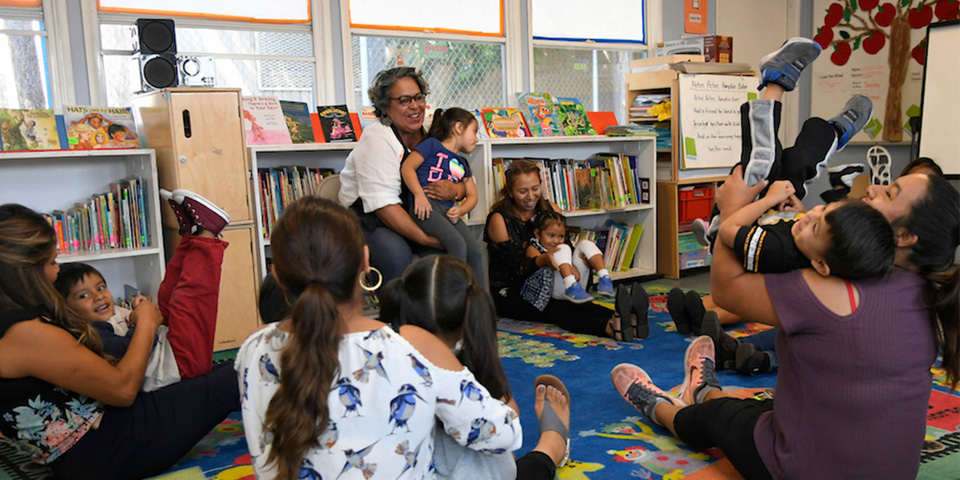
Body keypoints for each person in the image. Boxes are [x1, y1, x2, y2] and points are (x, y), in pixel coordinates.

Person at [611, 161, 959, 479]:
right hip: (895, 471)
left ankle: (660, 408)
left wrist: (731, 207)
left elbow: (726, 291)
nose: (873, 188)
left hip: (801, 468)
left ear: (904, 237)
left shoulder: (839, 289)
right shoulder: (928, 292)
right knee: (756, 408)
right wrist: (812, 221)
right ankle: (704, 391)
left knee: (718, 417)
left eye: (890, 193)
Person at [235, 197, 521, 480]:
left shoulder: (253, 348)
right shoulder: (412, 347)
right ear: (365, 260)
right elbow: (504, 434)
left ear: (276, 275)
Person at [0, 204, 240, 480]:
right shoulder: (24, 334)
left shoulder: (17, 320)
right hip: (106, 448)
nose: (57, 272)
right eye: (52, 262)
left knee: (232, 367)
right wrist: (146, 324)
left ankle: (195, 236)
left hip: (98, 436)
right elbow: (124, 390)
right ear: (26, 272)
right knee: (242, 374)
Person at [379, 255, 571, 479]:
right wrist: (503, 406)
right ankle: (553, 446)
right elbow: (506, 433)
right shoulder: (449, 382)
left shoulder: (372, 354)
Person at [692, 37, 873, 250]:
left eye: (817, 222)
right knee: (799, 162)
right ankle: (834, 133)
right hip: (779, 215)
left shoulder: (780, 254)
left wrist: (769, 200)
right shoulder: (810, 248)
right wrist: (800, 212)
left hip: (742, 222)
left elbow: (731, 232)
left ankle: (775, 80)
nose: (816, 213)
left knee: (763, 165)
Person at [53, 189, 230, 391]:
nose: (98, 296)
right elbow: (129, 349)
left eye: (101, 287)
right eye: (83, 295)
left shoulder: (105, 314)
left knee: (168, 292)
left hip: (167, 346)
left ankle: (191, 234)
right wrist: (142, 321)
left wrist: (136, 311)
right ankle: (207, 235)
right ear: (67, 309)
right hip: (177, 368)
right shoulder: (93, 335)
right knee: (190, 300)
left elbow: (130, 321)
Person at [484, 159, 650, 340]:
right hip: (512, 291)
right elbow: (516, 268)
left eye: (535, 188)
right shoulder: (499, 219)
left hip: (550, 281)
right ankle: (610, 327)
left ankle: (626, 320)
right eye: (522, 191)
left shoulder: (551, 210)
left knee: (576, 300)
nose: (530, 196)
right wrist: (543, 260)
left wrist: (575, 264)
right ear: (510, 192)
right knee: (556, 306)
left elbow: (566, 245)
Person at [339, 67, 466, 283]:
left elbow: (462, 176)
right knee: (396, 255)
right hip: (371, 220)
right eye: (405, 100)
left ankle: (455, 303)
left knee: (465, 247)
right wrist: (427, 239)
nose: (415, 106)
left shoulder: (433, 132)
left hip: (420, 212)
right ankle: (397, 307)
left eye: (419, 97)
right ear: (385, 106)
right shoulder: (376, 139)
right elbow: (384, 207)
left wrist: (457, 190)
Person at [401, 107, 486, 287]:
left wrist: (460, 210)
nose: (477, 138)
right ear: (458, 128)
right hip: (425, 207)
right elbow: (407, 168)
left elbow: (472, 195)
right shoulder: (432, 145)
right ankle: (453, 296)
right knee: (457, 245)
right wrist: (418, 194)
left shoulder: (462, 163)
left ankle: (480, 300)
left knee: (475, 250)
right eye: (474, 131)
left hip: (448, 211)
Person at [522, 211, 614, 306]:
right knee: (562, 248)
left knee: (585, 244)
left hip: (577, 285)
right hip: (552, 291)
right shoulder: (533, 248)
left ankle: (604, 277)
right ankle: (570, 285)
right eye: (551, 235)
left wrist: (584, 262)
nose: (556, 241)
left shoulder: (564, 247)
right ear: (537, 234)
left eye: (561, 236)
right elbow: (534, 269)